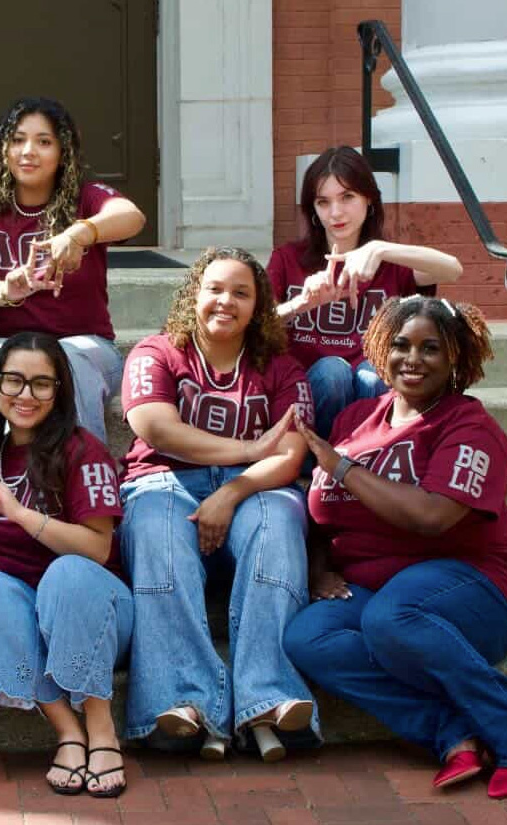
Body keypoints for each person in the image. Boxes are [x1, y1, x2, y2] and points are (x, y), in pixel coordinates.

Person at [284, 295, 507, 799]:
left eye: (430, 348)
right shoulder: (356, 421)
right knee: (308, 637)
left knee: (392, 617)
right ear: (380, 351)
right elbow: (321, 517)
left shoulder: (471, 429)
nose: (413, 359)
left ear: (456, 356)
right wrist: (318, 570)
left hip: (473, 586)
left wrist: (343, 467)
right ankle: (453, 731)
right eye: (401, 345)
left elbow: (431, 517)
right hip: (377, 593)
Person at [119, 247, 318, 762]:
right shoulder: (157, 352)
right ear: (194, 296)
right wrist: (251, 449)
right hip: (164, 479)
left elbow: (292, 455)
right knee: (156, 530)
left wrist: (232, 489)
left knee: (278, 519)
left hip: (254, 487)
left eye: (241, 292)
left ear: (258, 305)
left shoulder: (281, 368)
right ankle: (180, 700)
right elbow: (155, 427)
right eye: (215, 289)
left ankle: (268, 697)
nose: (225, 301)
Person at [0, 332, 131, 798]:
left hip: (94, 607)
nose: (25, 395)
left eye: (41, 383)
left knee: (67, 572)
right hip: (22, 610)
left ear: (59, 391)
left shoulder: (82, 450)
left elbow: (97, 548)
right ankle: (66, 731)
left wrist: (21, 516)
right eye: (13, 380)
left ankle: (100, 728)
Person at [0, 96, 146, 444]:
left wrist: (79, 232)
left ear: (63, 152)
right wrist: (5, 291)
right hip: (5, 341)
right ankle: (0, 476)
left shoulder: (87, 199)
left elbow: (133, 217)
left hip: (85, 344)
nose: (28, 151)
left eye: (43, 141)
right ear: (3, 150)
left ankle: (88, 478)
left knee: (69, 363)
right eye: (17, 140)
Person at [267, 146, 462, 438]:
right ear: (313, 209)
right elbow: (258, 325)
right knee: (333, 372)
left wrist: (379, 249)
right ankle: (319, 464)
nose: (335, 212)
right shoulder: (287, 259)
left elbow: (452, 269)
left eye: (347, 197)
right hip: (308, 396)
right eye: (323, 202)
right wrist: (300, 304)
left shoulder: (390, 263)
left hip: (370, 389)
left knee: (372, 375)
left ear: (368, 198)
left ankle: (362, 461)